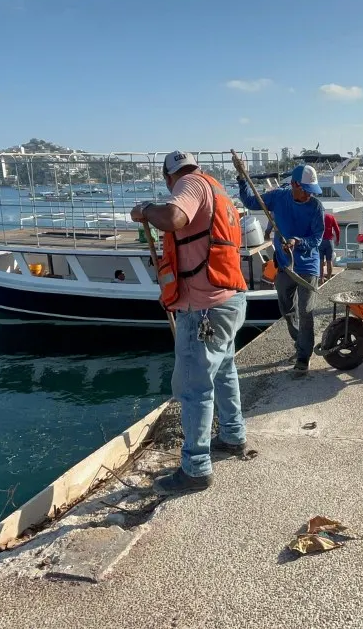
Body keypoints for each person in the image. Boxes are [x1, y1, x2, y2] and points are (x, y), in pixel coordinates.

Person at [129, 151, 249, 495]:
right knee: (224, 370)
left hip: (205, 308)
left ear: (169, 177)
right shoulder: (217, 189)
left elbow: (175, 216)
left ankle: (195, 468)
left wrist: (145, 211)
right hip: (229, 300)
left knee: (194, 387)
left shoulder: (190, 184)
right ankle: (232, 435)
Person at [237, 164, 324, 372]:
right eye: (306, 190)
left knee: (305, 311)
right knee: (286, 309)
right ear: (294, 185)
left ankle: (304, 355)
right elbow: (251, 201)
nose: (309, 195)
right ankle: (300, 341)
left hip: (307, 267)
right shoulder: (278, 197)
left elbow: (317, 238)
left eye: (311, 191)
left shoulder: (316, 207)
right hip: (285, 265)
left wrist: (298, 242)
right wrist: (241, 179)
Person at [321, 211, 340, 279]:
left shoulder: (318, 217)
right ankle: (329, 277)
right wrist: (337, 240)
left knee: (321, 261)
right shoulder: (331, 217)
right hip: (329, 241)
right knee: (329, 261)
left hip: (320, 241)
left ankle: (321, 278)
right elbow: (337, 229)